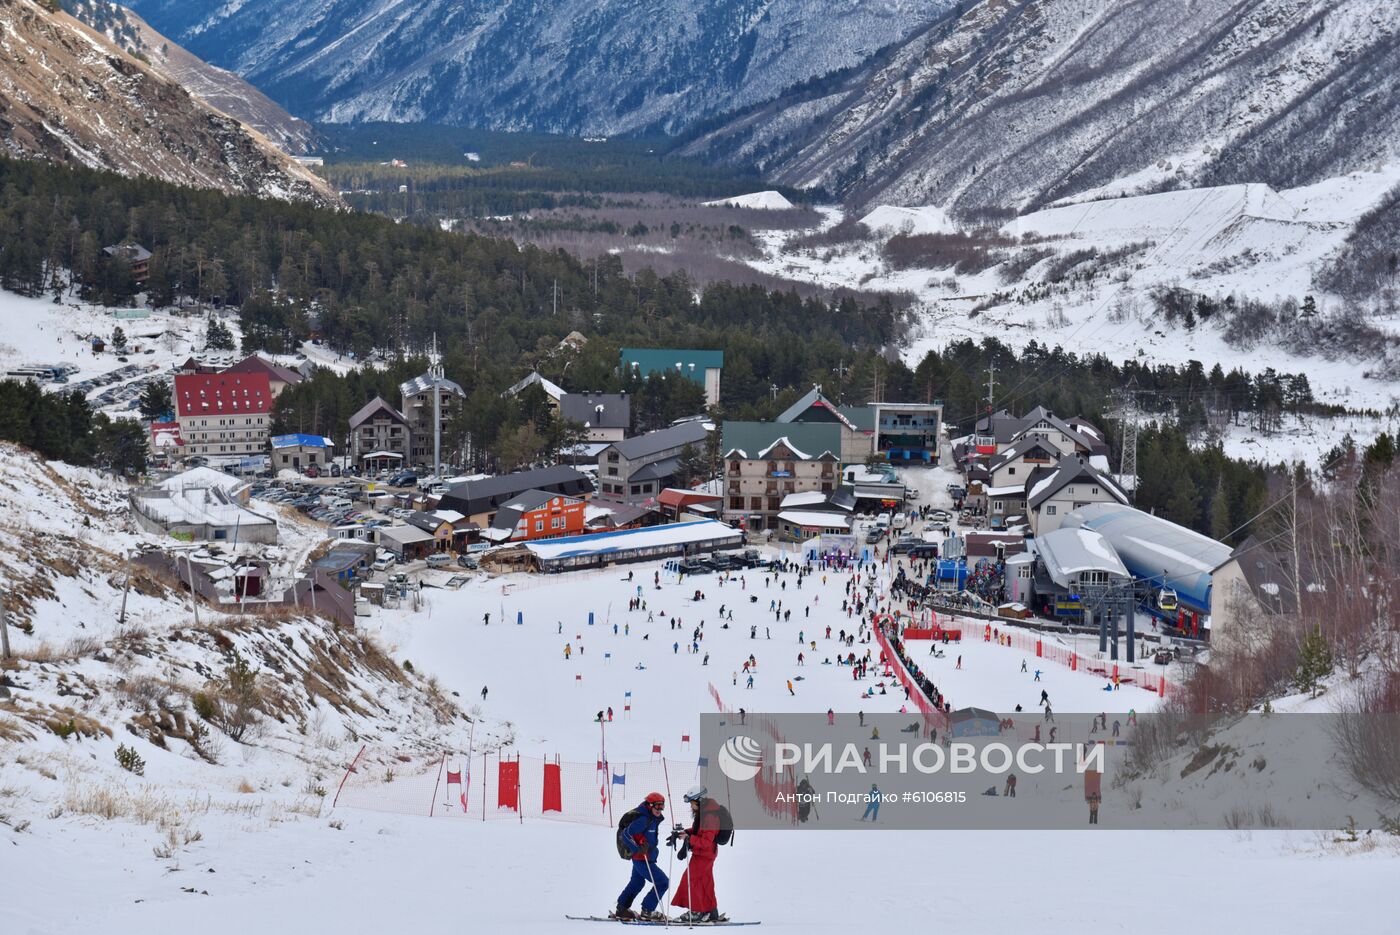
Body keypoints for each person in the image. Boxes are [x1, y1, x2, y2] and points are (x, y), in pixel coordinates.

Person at [670, 785, 727, 923]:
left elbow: (707, 841)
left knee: (690, 880)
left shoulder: (710, 816)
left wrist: (689, 839)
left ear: (699, 800)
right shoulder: (705, 813)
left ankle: (696, 912)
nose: (691, 806)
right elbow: (699, 830)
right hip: (703, 854)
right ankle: (711, 912)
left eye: (692, 803)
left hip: (704, 854)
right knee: (705, 883)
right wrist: (685, 833)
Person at [616, 792, 670, 921]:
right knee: (662, 882)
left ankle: (622, 908)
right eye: (657, 806)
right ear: (650, 805)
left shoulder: (652, 818)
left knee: (637, 882)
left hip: (644, 858)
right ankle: (647, 910)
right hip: (641, 859)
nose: (660, 809)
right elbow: (626, 834)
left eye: (662, 806)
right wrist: (637, 849)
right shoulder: (643, 819)